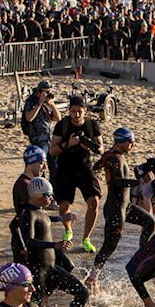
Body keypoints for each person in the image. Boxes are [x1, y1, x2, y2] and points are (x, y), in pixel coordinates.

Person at [11, 176, 90, 307]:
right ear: (37, 195)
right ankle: (42, 302)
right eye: (48, 195)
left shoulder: (39, 210)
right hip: (38, 270)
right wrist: (54, 245)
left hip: (50, 267)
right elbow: (28, 240)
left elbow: (43, 219)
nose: (52, 199)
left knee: (82, 292)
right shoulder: (27, 213)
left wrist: (61, 218)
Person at [50, 95, 103, 253]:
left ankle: (86, 238)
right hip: (65, 168)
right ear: (69, 111)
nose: (77, 115)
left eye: (80, 111)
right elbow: (52, 150)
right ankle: (68, 230)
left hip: (85, 168)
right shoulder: (62, 125)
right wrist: (68, 144)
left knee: (94, 201)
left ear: (85, 111)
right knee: (64, 205)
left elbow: (101, 149)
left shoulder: (91, 125)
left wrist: (92, 146)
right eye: (73, 111)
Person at [87, 127, 137, 289]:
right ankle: (92, 277)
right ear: (122, 142)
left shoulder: (112, 156)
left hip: (125, 206)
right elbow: (119, 182)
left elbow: (96, 166)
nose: (133, 145)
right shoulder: (114, 158)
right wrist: (140, 182)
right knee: (109, 245)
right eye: (131, 142)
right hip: (115, 209)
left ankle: (141, 258)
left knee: (150, 223)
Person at [21, 79, 60, 177]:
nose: (48, 94)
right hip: (38, 139)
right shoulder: (31, 101)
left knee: (55, 169)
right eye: (46, 92)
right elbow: (29, 118)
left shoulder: (48, 102)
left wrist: (52, 104)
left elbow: (58, 118)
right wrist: (39, 103)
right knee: (40, 168)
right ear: (39, 92)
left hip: (51, 140)